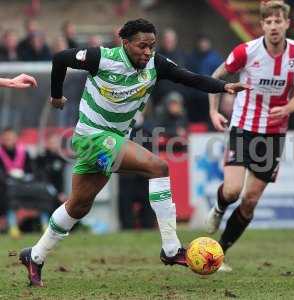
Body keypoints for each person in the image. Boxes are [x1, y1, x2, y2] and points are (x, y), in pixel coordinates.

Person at [19, 18, 247, 287]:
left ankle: (35, 255)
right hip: (91, 138)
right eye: (142, 46)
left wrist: (223, 87)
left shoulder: (155, 64)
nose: (148, 52)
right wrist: (56, 96)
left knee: (78, 206)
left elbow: (190, 78)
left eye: (152, 46)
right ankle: (172, 249)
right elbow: (60, 58)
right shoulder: (100, 57)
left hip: (113, 140)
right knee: (158, 167)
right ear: (125, 43)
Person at [206, 1, 294, 272]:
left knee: (250, 201)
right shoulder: (246, 51)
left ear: (287, 23)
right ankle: (218, 207)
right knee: (231, 191)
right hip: (243, 126)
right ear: (262, 25)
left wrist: (288, 107)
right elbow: (216, 78)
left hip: (274, 135)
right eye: (269, 22)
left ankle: (220, 253)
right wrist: (214, 112)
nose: (274, 26)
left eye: (279, 21)